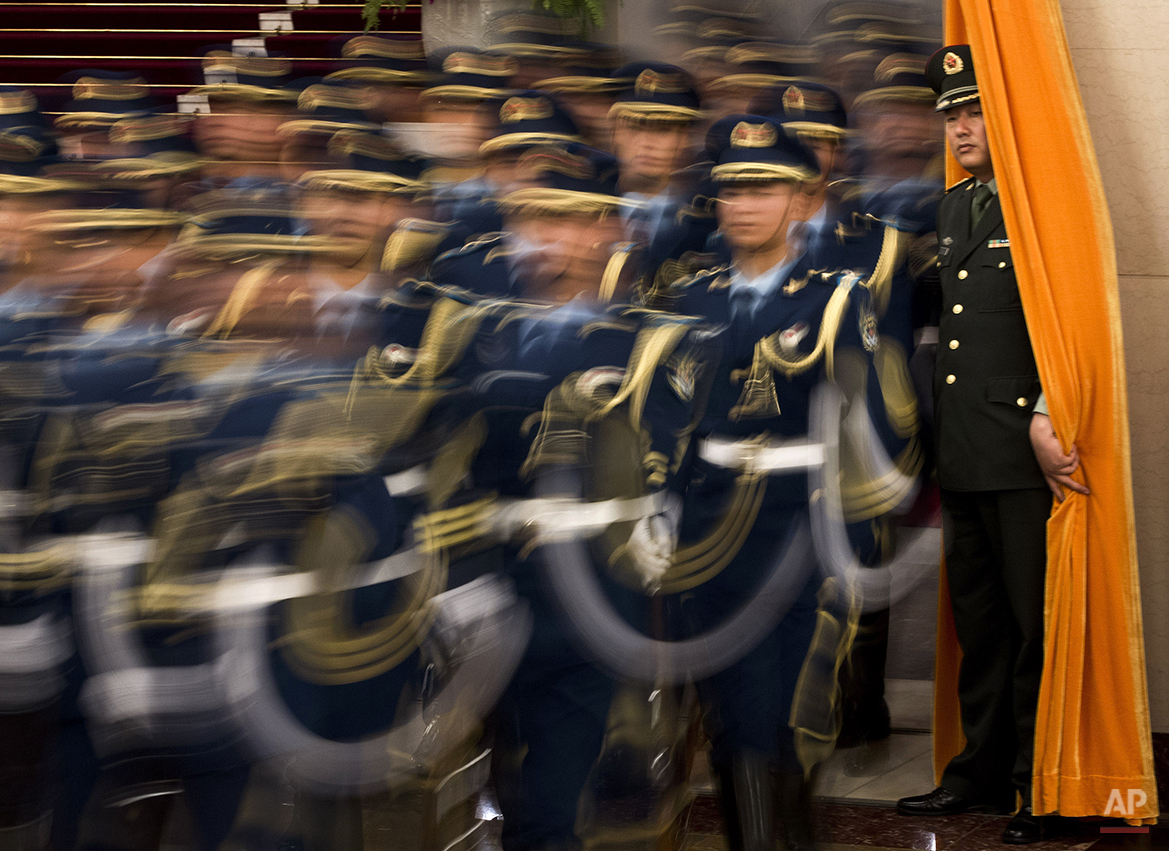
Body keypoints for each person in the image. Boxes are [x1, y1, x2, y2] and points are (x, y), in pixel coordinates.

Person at [894, 44, 1088, 845]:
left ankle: (1036, 784)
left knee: (1032, 622)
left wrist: (1050, 411)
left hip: (1022, 446)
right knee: (979, 624)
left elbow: (1072, 322)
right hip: (964, 447)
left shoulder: (1047, 202)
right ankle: (977, 770)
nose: (959, 126)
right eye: (948, 113)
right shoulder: (955, 206)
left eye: (972, 111)